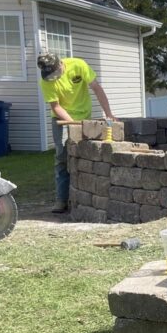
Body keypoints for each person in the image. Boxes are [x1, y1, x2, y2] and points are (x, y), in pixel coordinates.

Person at [37, 53, 117, 213]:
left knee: (85, 154)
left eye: (54, 73)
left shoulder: (78, 65)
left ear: (60, 64)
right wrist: (72, 123)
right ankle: (61, 199)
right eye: (49, 76)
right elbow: (56, 107)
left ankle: (82, 194)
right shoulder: (46, 81)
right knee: (62, 156)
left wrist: (108, 113)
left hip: (84, 116)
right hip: (62, 119)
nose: (53, 78)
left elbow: (96, 88)